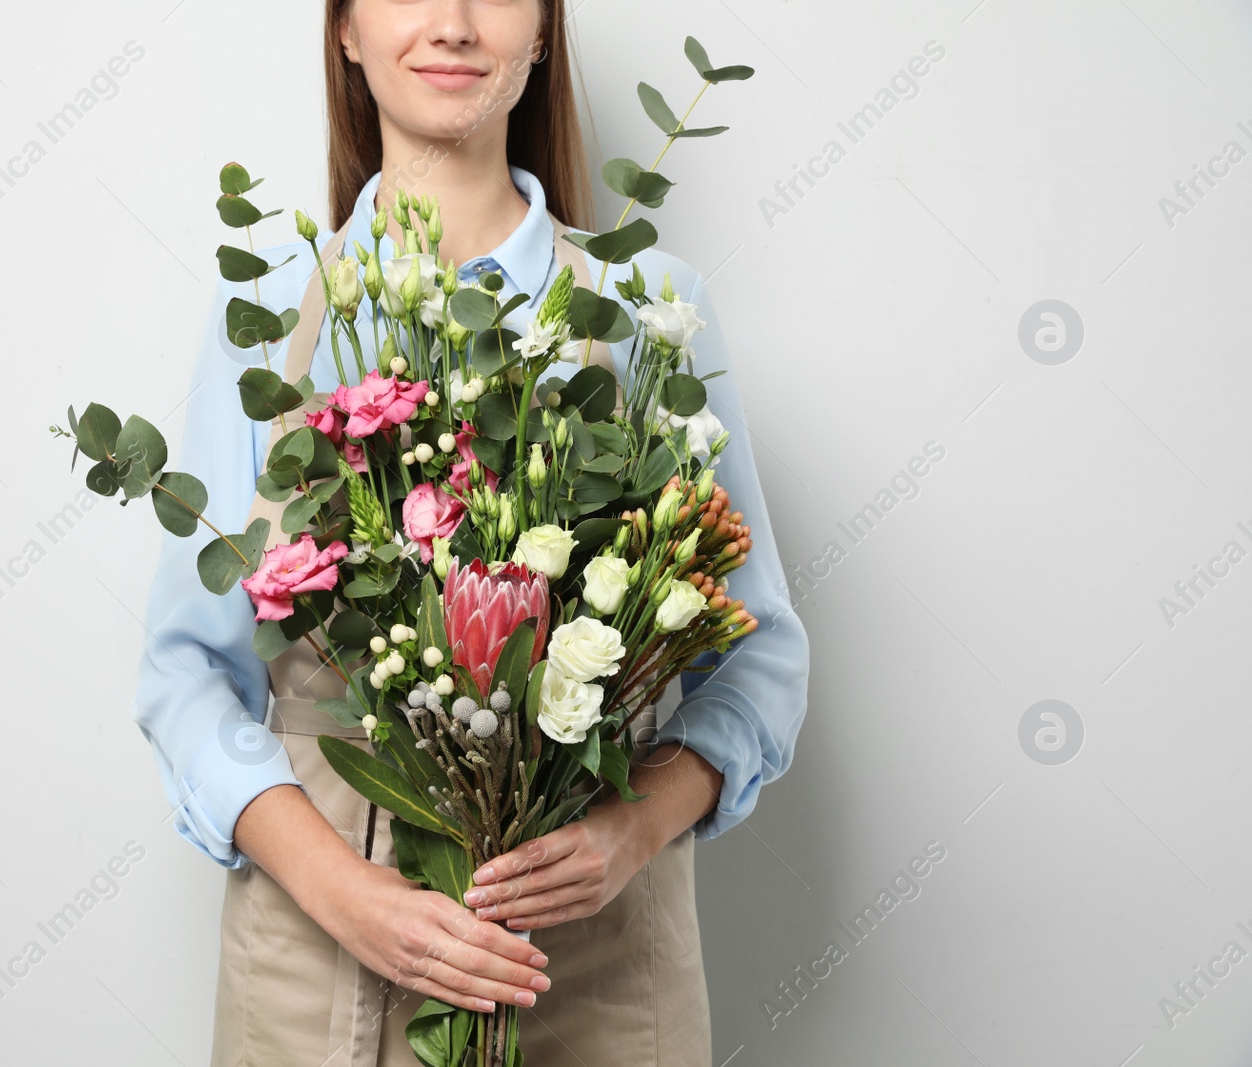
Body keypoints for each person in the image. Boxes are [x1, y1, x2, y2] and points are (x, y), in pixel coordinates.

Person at [129, 1, 811, 1062]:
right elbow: (184, 670)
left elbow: (756, 649)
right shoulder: (265, 313)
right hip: (318, 966)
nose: (450, 21)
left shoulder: (646, 306)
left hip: (593, 962)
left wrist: (625, 833)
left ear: (543, 32)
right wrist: (342, 890)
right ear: (344, 30)